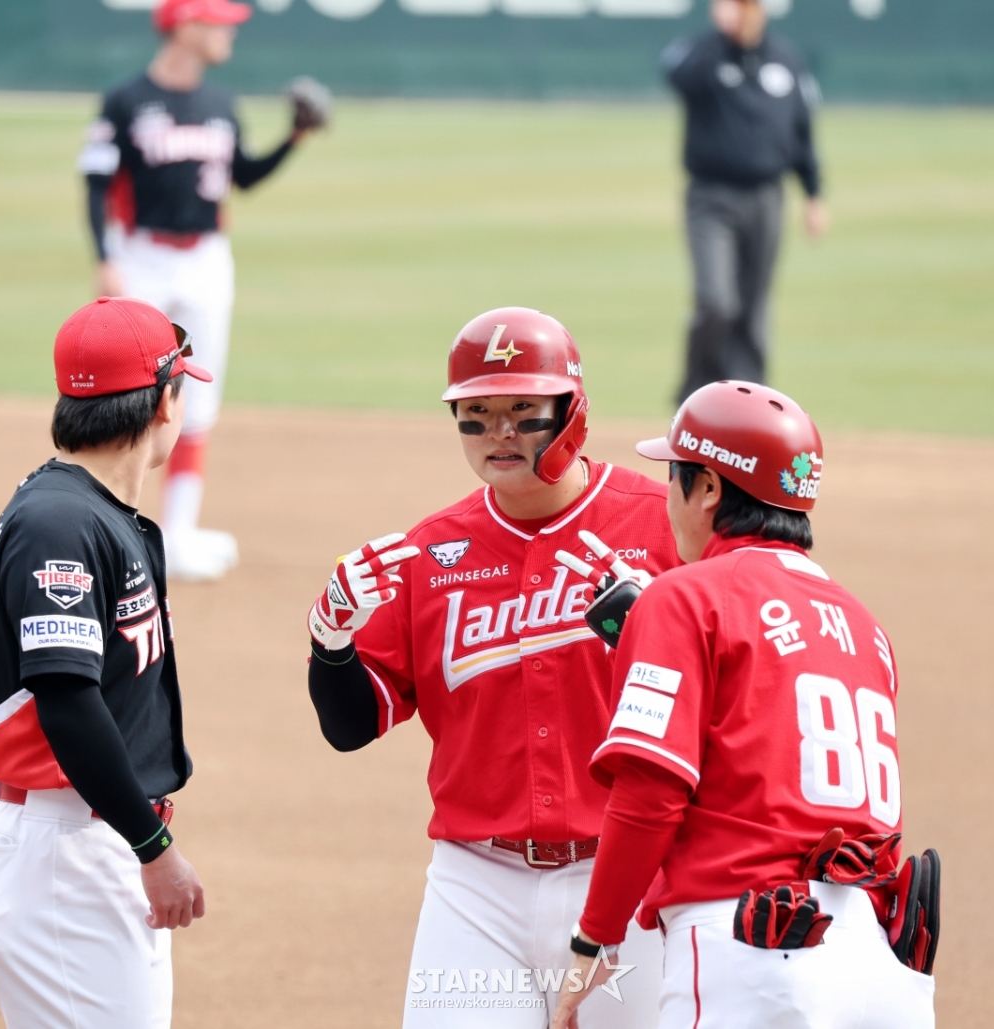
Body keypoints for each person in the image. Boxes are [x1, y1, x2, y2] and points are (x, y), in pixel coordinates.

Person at [304, 307, 682, 1027]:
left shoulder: (662, 525)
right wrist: (332, 641)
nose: (499, 434)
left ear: (571, 413)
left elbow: (732, 698)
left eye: (522, 411)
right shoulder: (431, 552)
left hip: (630, 872)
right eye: (476, 415)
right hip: (476, 887)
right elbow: (349, 727)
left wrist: (654, 630)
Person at [551, 381, 938, 1029]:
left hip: (754, 959)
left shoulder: (683, 597)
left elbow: (650, 794)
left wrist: (593, 941)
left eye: (675, 476)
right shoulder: (862, 624)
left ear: (707, 486)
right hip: (879, 968)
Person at [0, 297, 209, 1029]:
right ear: (163, 403)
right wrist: (153, 846)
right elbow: (67, 699)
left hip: (81, 845)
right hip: (66, 856)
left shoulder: (88, 511)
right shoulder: (60, 522)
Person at [77, 0, 329, 581]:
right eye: (219, 24)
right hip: (140, 256)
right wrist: (105, 259)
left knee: (199, 393)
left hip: (207, 260)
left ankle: (180, 534)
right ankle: (106, 529)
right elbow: (95, 184)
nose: (229, 34)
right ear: (186, 26)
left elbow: (244, 178)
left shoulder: (220, 103)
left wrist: (294, 137)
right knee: (123, 391)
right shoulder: (126, 100)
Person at [664, 0, 828, 401]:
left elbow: (801, 129)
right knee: (716, 301)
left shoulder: (785, 59)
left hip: (767, 197)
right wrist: (721, 38)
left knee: (754, 308)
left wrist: (812, 193)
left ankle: (747, 400)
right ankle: (697, 395)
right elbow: (680, 79)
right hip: (711, 197)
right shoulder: (703, 52)